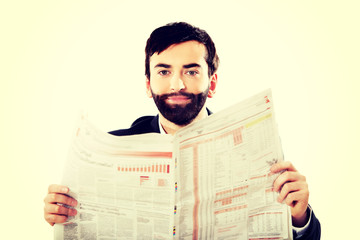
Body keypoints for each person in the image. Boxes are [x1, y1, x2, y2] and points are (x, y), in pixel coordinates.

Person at [44, 22, 321, 239]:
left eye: (191, 71)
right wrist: (60, 213)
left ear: (212, 83)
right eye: (164, 72)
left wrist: (299, 218)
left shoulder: (256, 147)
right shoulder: (111, 148)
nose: (177, 84)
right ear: (148, 83)